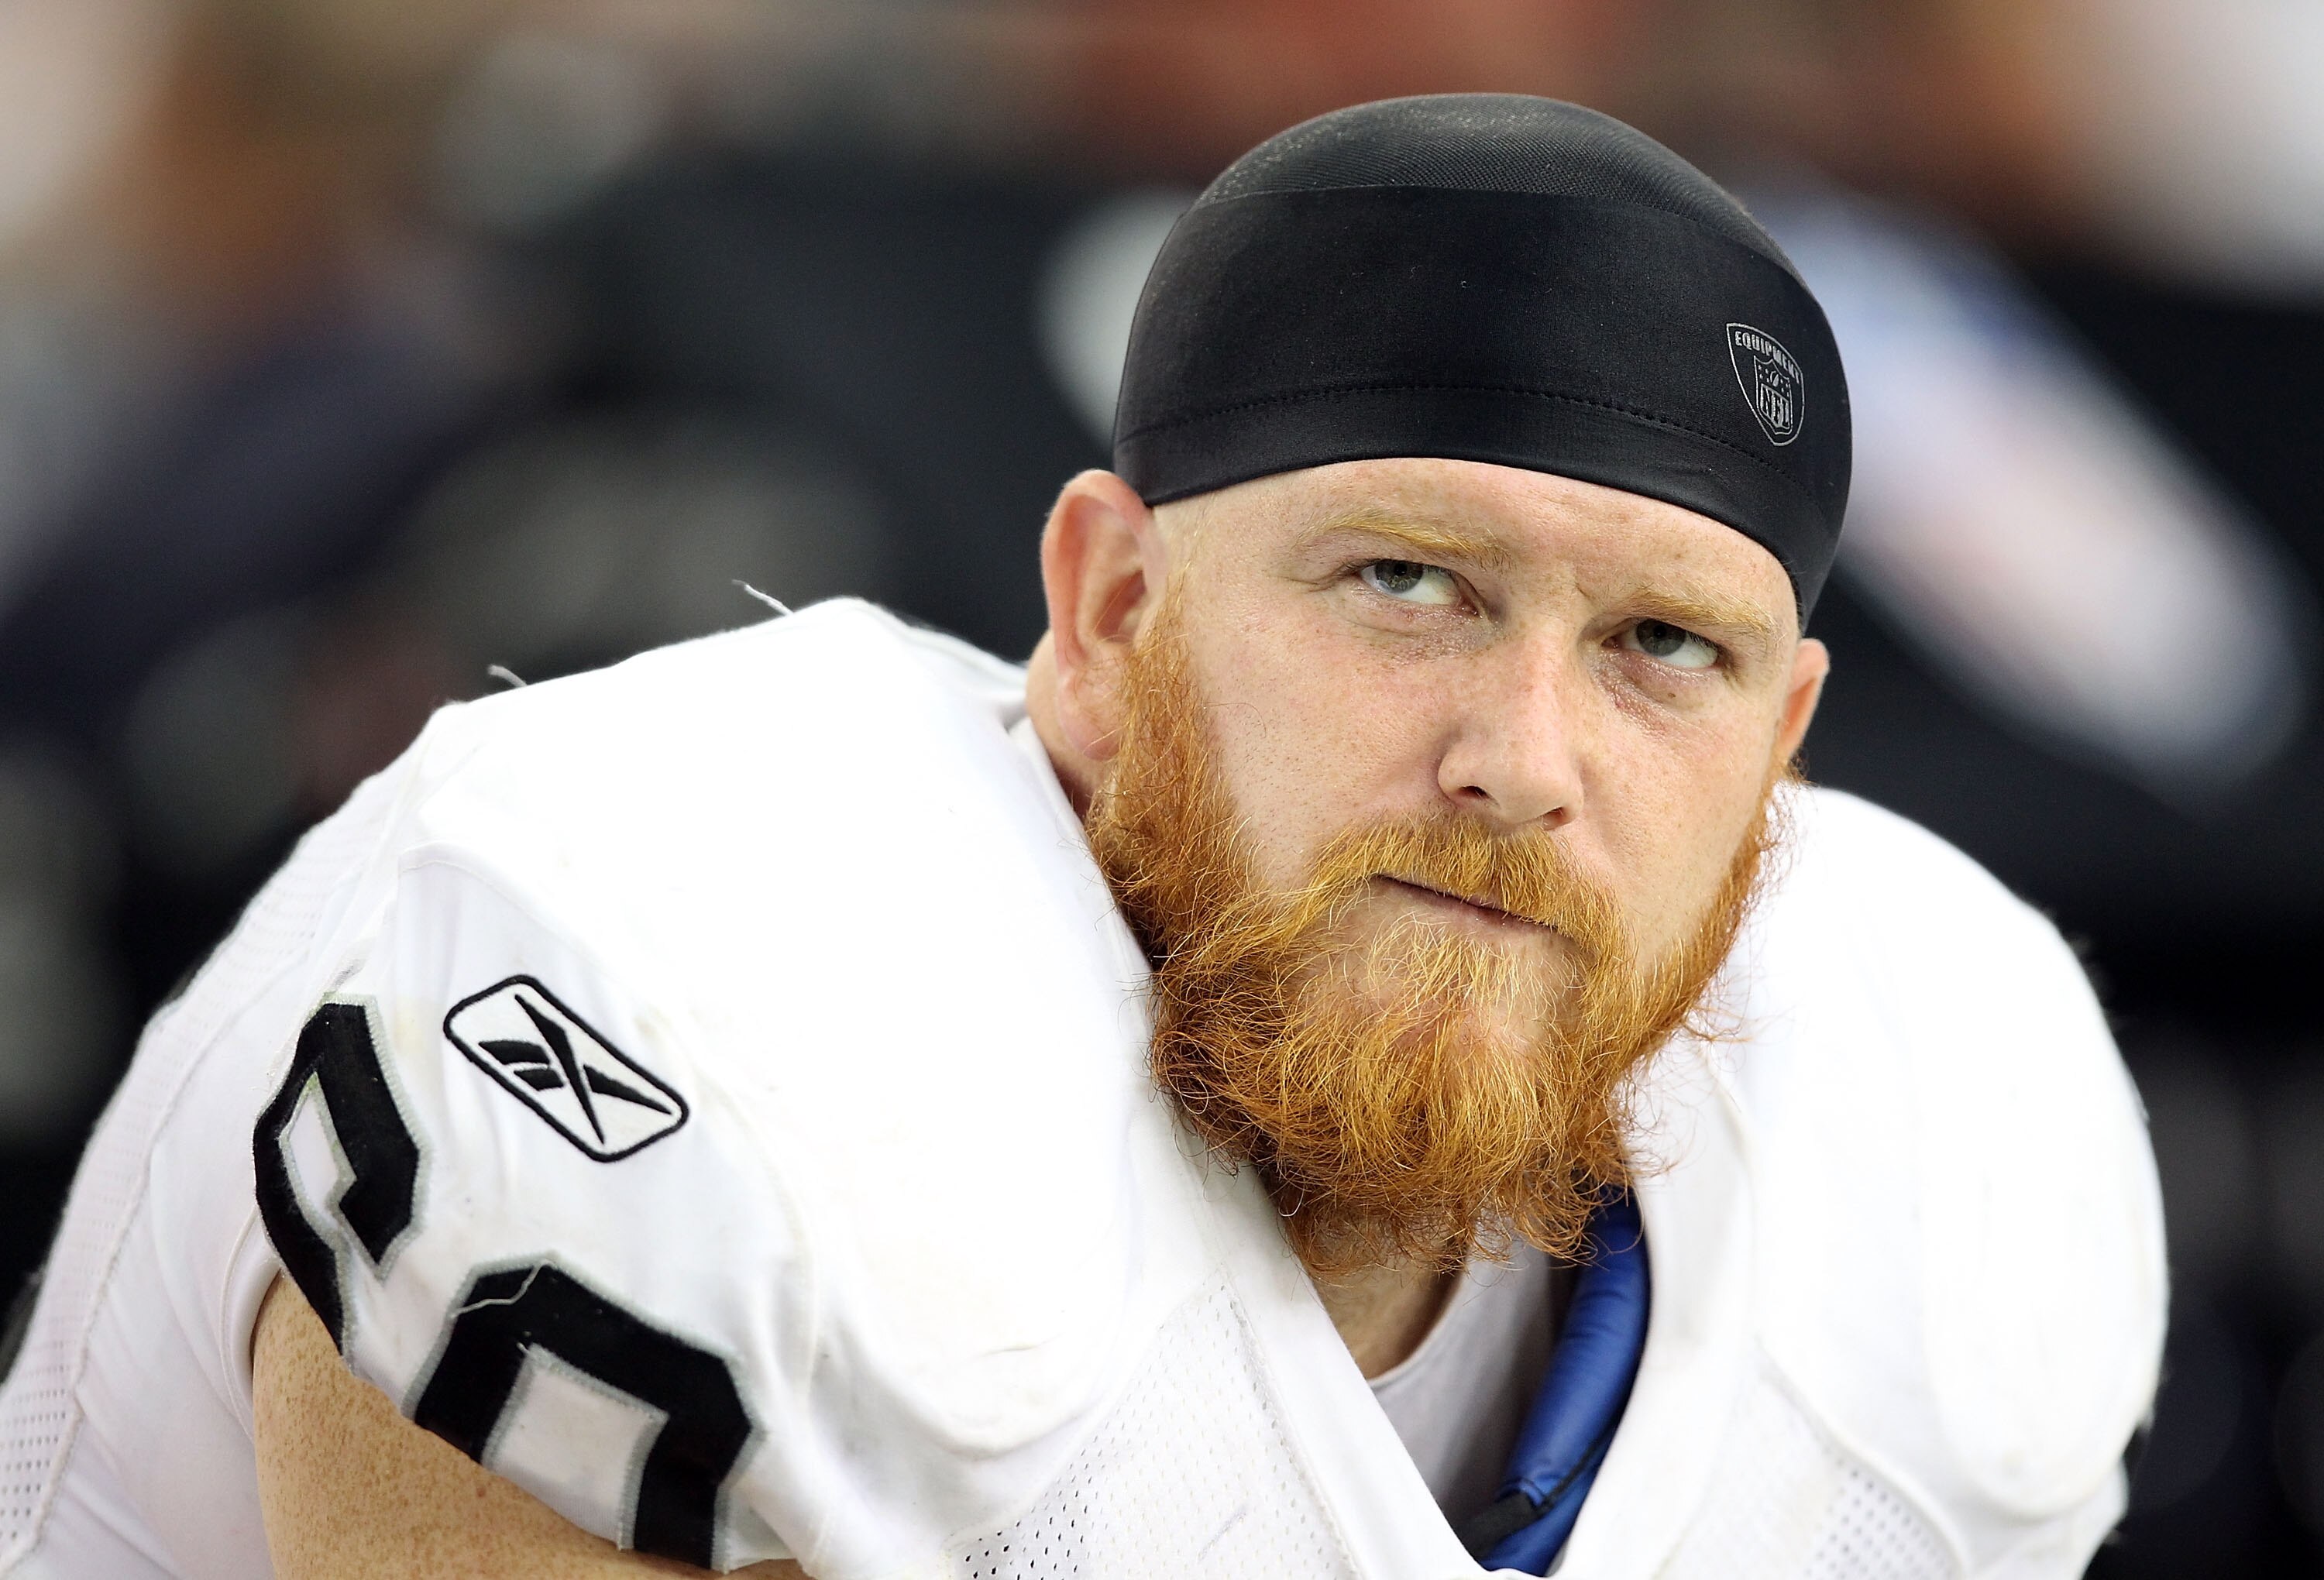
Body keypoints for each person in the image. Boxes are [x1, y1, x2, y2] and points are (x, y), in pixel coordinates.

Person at [0, 96, 2162, 1578]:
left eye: (1665, 647)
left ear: (1783, 739)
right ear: (1112, 614)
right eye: (1404, 583)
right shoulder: (702, 961)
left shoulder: (1951, 1139)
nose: (1523, 754)